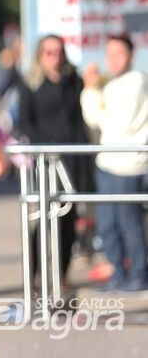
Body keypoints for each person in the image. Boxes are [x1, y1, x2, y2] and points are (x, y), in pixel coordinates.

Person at [17, 34, 91, 287]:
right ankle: (35, 274)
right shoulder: (31, 84)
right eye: (49, 53)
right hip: (46, 162)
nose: (55, 58)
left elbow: (82, 117)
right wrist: (43, 146)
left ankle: (63, 273)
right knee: (43, 220)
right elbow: (24, 123)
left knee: (68, 221)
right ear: (40, 56)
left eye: (58, 52)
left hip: (73, 158)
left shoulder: (74, 80)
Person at [81, 33, 148, 291]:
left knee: (128, 223)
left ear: (131, 55)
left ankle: (138, 276)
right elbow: (95, 119)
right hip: (107, 163)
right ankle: (119, 274)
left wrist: (93, 96)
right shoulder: (111, 85)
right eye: (109, 54)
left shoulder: (136, 83)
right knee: (107, 224)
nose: (112, 59)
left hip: (129, 165)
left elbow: (115, 123)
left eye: (118, 53)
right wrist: (91, 90)